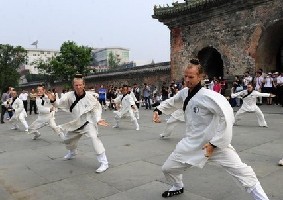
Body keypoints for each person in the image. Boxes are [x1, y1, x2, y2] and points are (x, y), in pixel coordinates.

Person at [153, 59, 269, 199]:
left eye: (191, 77)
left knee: (243, 173)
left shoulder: (209, 96)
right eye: (186, 76)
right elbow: (173, 101)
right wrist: (158, 110)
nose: (187, 80)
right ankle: (178, 185)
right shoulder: (184, 93)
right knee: (168, 168)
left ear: (200, 77)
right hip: (191, 143)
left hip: (215, 145)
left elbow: (227, 116)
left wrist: (215, 143)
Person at [48, 74, 109, 173]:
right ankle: (72, 152)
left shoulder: (90, 97)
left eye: (80, 85)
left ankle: (104, 163)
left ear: (84, 85)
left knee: (94, 138)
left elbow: (96, 109)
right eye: (76, 85)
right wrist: (53, 100)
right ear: (73, 86)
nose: (78, 87)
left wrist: (98, 119)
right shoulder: (68, 95)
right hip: (75, 124)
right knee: (67, 140)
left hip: (87, 123)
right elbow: (59, 104)